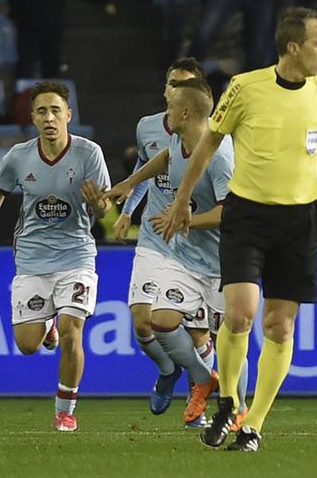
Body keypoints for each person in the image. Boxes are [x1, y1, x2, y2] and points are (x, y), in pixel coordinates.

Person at [161, 6, 317, 451]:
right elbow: (208, 142)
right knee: (240, 313)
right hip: (247, 214)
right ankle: (229, 402)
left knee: (279, 328)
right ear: (293, 47)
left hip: (296, 220)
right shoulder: (246, 88)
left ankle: (253, 425)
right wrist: (181, 200)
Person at [0, 81, 112, 432]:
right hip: (32, 257)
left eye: (56, 110)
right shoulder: (19, 157)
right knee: (27, 345)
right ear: (32, 118)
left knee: (73, 330)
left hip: (76, 255)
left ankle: (65, 409)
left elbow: (104, 210)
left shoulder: (89, 154)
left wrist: (97, 203)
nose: (49, 117)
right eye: (42, 111)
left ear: (68, 115)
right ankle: (47, 327)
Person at [107, 76, 248, 429]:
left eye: (171, 106)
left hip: (222, 263)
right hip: (185, 258)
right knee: (162, 319)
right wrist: (132, 181)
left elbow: (229, 212)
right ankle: (203, 378)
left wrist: (185, 220)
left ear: (185, 113)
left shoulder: (220, 156)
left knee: (228, 339)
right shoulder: (178, 137)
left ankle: (238, 408)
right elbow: (167, 157)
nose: (165, 112)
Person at [111, 57, 205, 418]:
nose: (176, 91)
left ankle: (203, 403)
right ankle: (168, 371)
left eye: (185, 85)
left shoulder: (211, 134)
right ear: (165, 89)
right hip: (154, 237)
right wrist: (126, 211)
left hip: (191, 243)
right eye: (172, 84)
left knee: (196, 335)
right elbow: (145, 167)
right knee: (141, 322)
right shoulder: (147, 127)